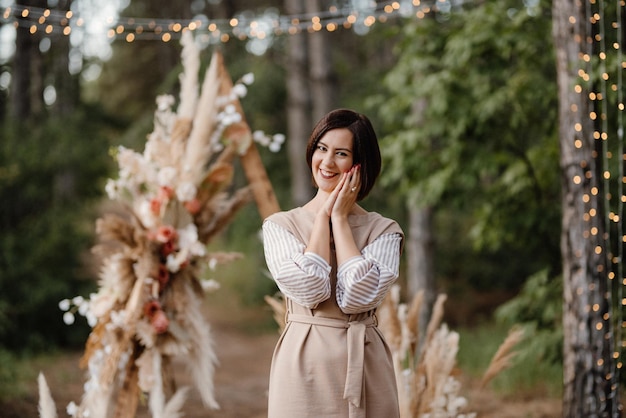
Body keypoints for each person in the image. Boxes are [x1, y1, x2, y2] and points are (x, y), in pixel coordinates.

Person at [262, 108, 404, 418]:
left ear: (359, 165)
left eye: (341, 153)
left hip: (365, 362)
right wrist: (322, 217)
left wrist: (339, 219)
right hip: (304, 365)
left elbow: (356, 299)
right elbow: (310, 291)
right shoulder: (280, 226)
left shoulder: (384, 231)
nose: (326, 162)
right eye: (322, 149)